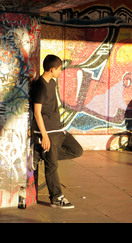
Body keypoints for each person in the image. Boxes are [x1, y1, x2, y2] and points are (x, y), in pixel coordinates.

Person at [30, 54, 83, 209]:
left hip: (59, 128)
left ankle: (41, 154)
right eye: (59, 69)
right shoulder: (40, 86)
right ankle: (56, 197)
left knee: (76, 150)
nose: (61, 72)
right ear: (52, 69)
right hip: (48, 132)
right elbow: (37, 113)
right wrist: (44, 136)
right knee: (52, 166)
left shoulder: (52, 83)